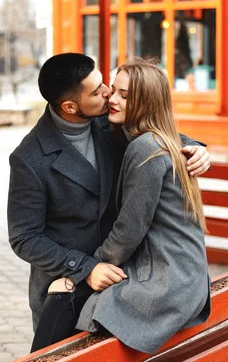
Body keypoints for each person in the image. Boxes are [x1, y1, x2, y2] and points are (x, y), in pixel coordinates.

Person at [7, 53, 210, 352]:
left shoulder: (109, 119)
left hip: (122, 277)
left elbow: (153, 129)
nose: (107, 93)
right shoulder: (29, 158)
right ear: (70, 106)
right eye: (98, 89)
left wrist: (193, 148)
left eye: (106, 84)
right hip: (69, 286)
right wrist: (87, 268)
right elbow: (25, 239)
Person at [75, 58, 211, 354]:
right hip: (187, 275)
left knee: (88, 306)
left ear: (145, 103)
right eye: (113, 90)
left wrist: (93, 264)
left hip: (170, 280)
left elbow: (129, 228)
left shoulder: (145, 148)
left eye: (125, 96)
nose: (112, 99)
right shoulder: (158, 140)